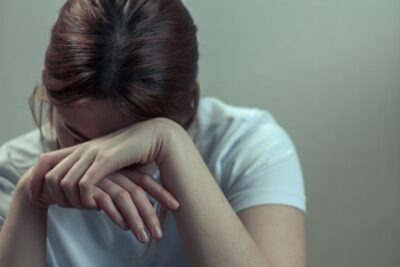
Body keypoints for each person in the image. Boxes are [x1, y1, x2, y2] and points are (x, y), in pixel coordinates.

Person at [0, 0, 307, 266]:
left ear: (188, 107)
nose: (101, 162)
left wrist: (170, 142)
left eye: (132, 143)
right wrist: (29, 202)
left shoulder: (248, 147)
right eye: (78, 138)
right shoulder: (12, 172)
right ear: (47, 89)